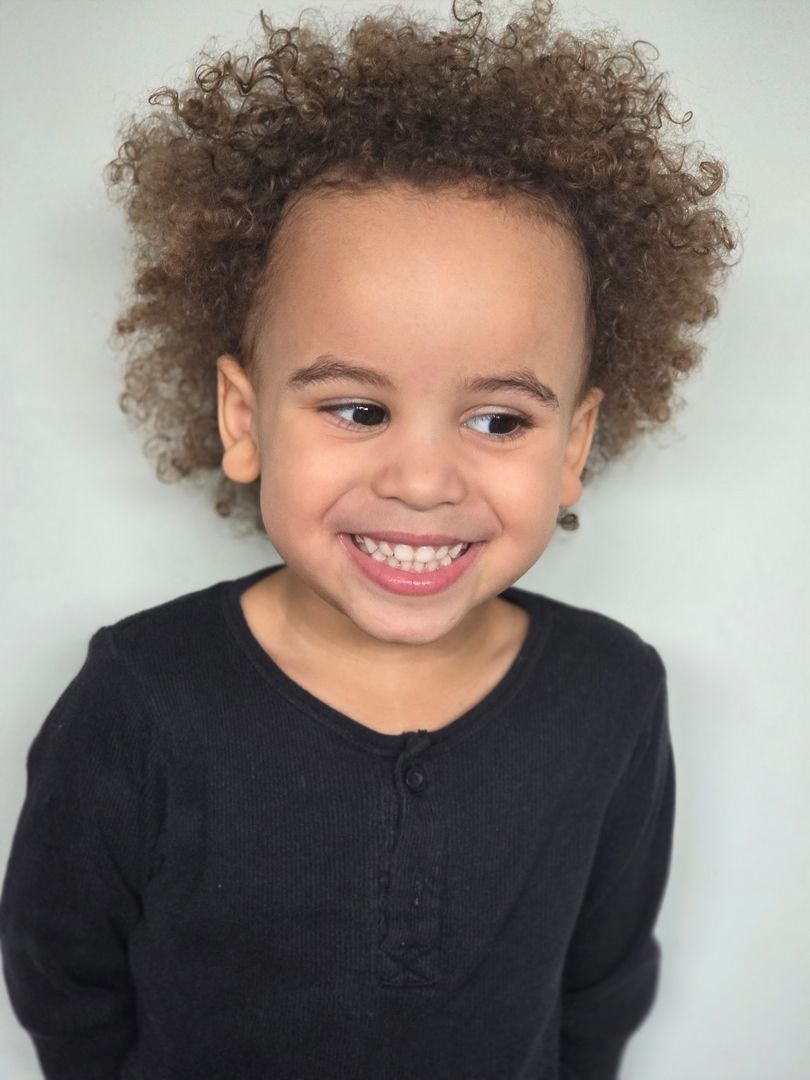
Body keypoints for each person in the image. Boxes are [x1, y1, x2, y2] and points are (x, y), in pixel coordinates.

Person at [0, 1, 738, 1077]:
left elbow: (602, 981)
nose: (423, 481)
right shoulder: (143, 695)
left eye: (500, 421)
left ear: (574, 444)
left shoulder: (612, 695)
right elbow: (63, 974)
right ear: (244, 420)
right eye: (356, 408)